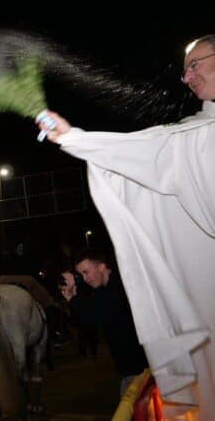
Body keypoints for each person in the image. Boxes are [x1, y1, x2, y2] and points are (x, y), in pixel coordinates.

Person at [38, 34, 215, 420]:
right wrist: (72, 138)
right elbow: (149, 153)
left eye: (195, 64)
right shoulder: (191, 139)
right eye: (185, 69)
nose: (186, 78)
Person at [59, 249, 148, 397]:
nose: (85, 279)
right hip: (132, 370)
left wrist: (72, 298)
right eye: (81, 275)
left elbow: (96, 317)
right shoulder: (104, 289)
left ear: (101, 266)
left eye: (86, 272)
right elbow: (86, 320)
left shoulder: (118, 287)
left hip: (139, 372)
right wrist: (73, 295)